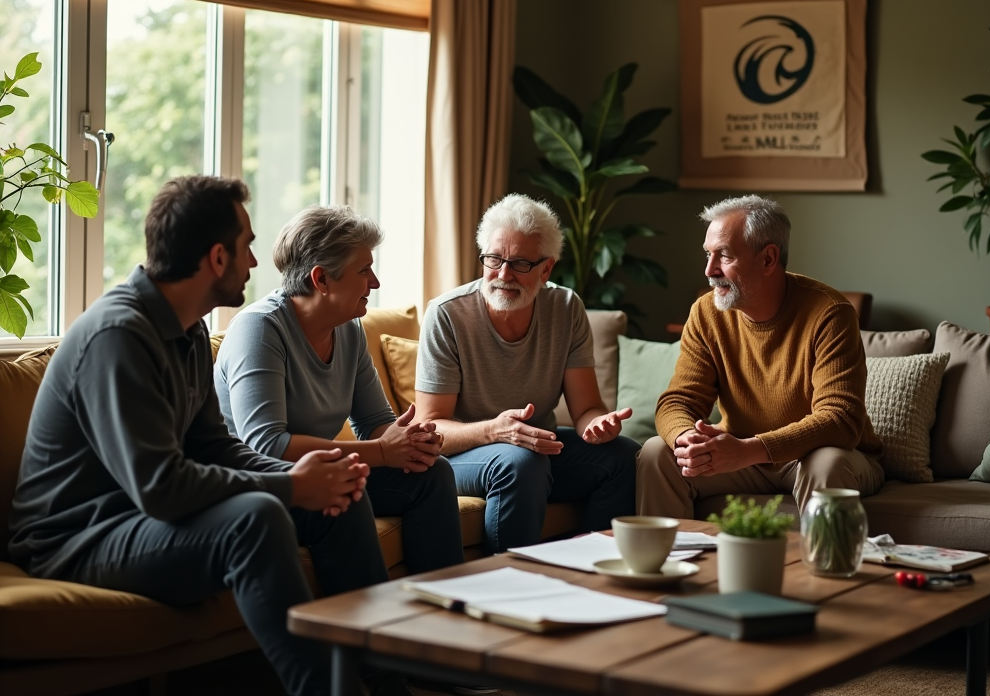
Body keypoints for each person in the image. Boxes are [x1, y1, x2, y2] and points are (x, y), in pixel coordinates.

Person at [8, 176, 379, 696]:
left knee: (343, 491)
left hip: (143, 518)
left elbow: (213, 445)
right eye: (246, 246)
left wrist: (307, 477)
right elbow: (160, 486)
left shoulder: (189, 326)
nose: (255, 263)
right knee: (255, 519)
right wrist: (292, 488)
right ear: (217, 258)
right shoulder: (118, 336)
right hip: (76, 537)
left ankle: (379, 677)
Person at [214, 204, 463, 576]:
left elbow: (375, 420)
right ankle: (364, 631)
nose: (374, 282)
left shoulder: (348, 328)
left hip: (318, 473)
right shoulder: (259, 329)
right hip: (263, 484)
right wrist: (381, 451)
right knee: (347, 490)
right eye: (364, 270)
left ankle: (445, 604)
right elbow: (267, 446)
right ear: (321, 279)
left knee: (433, 473)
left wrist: (407, 441)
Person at [636, 195, 884, 518]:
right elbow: (676, 402)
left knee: (826, 463)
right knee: (657, 453)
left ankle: (821, 568)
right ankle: (672, 566)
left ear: (768, 259)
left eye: (723, 256)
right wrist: (688, 440)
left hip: (817, 457)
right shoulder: (706, 313)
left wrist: (749, 450)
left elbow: (840, 420)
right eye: (708, 255)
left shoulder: (830, 314)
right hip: (743, 457)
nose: (709, 270)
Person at [414, 194, 637, 554]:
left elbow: (585, 410)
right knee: (521, 460)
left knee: (624, 456)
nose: (503, 274)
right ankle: (508, 585)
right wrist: (494, 430)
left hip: (535, 449)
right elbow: (432, 428)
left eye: (519, 263)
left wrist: (597, 426)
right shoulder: (447, 315)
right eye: (494, 259)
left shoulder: (566, 308)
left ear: (546, 269)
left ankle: (591, 571)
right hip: (461, 456)